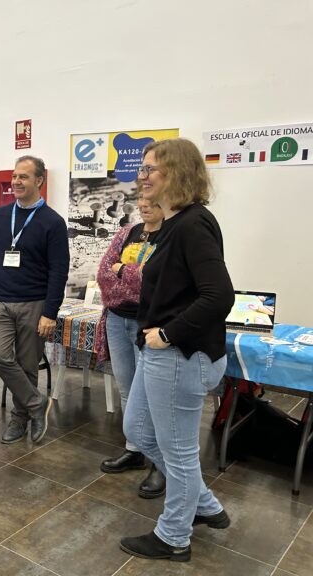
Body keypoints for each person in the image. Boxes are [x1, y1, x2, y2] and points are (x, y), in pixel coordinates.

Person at [119, 139, 234, 562]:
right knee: (139, 432)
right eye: (142, 169)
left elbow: (219, 296)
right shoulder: (175, 224)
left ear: (178, 174)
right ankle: (204, 505)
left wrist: (167, 334)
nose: (142, 176)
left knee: (179, 452)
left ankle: (173, 537)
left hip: (182, 356)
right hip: (164, 354)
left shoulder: (192, 224)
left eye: (151, 169)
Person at [0, 155, 69, 444]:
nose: (16, 182)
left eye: (24, 177)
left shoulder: (53, 223)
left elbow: (59, 271)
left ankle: (21, 418)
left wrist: (50, 313)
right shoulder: (0, 215)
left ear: (39, 181)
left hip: (34, 303)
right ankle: (36, 404)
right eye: (15, 176)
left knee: (27, 364)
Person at [96, 197, 166, 498]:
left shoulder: (172, 236)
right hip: (116, 319)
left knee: (154, 394)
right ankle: (135, 450)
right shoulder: (127, 233)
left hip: (148, 325)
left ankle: (162, 464)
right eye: (141, 199)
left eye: (153, 200)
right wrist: (133, 278)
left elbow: (159, 283)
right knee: (127, 389)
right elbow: (103, 274)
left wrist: (123, 271)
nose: (144, 204)